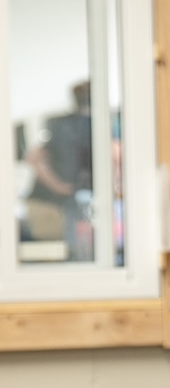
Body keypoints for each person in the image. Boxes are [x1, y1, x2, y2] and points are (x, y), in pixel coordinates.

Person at [23, 80, 93, 260]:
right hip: (50, 205)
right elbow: (33, 158)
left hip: (76, 202)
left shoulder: (94, 125)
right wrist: (59, 186)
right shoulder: (61, 124)